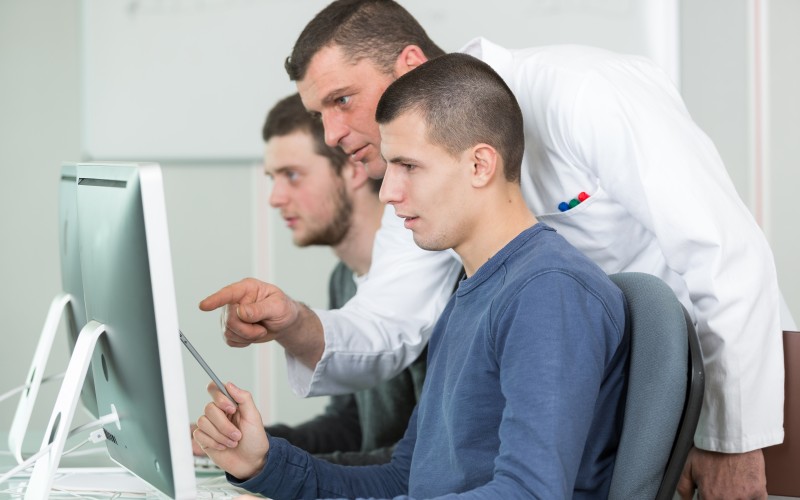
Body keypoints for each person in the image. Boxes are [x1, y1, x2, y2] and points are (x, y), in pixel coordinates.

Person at [198, 1, 790, 497]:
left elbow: (723, 253)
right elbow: (386, 325)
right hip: (593, 396)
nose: (332, 135)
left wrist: (730, 438)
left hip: (738, 376)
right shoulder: (467, 272)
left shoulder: (583, 92)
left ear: (408, 66)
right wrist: (292, 336)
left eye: (341, 101)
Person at [193, 53, 630, 498]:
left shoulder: (547, 292)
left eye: (409, 166)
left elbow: (529, 494)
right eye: (389, 166)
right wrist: (263, 463)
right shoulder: (469, 294)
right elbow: (405, 479)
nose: (387, 192)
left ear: (480, 165)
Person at [194, 93, 427, 465]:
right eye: (273, 177)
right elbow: (351, 427)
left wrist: (279, 475)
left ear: (353, 168)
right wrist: (251, 444)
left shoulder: (431, 286)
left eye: (292, 175)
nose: (275, 197)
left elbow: (424, 462)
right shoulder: (344, 280)